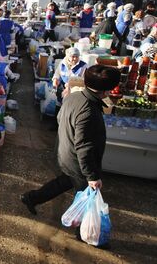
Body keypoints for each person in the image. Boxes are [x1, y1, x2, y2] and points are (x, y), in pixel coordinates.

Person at [20, 65, 121, 239]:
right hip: (78, 163)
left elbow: (60, 119)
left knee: (64, 182)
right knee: (87, 199)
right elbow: (84, 148)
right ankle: (84, 233)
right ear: (106, 90)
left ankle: (31, 198)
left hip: (65, 153)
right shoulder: (88, 110)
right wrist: (92, 177)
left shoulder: (74, 96)